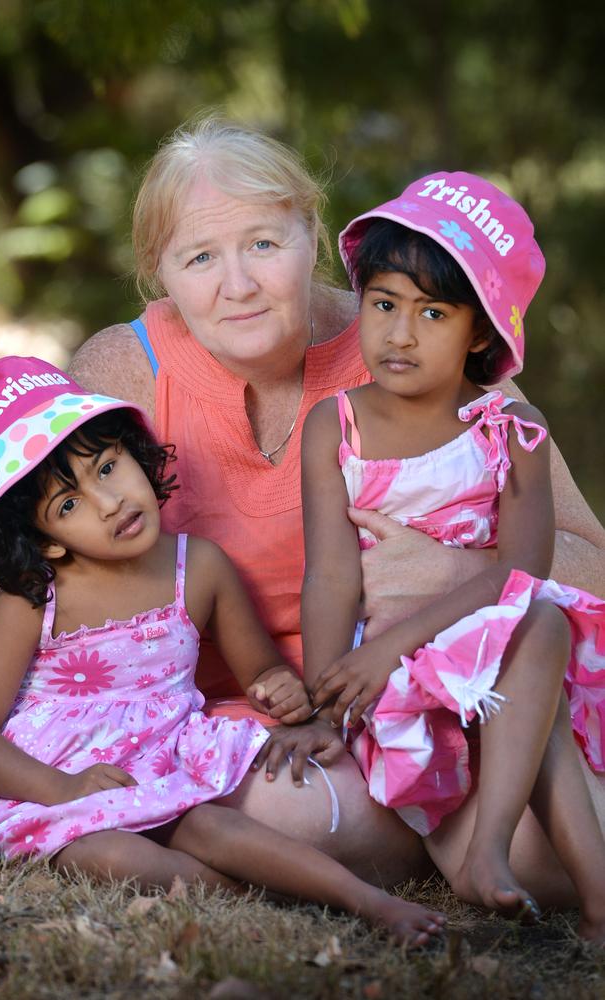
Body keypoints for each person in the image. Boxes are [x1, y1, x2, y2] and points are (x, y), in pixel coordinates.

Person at [0, 117, 604, 896]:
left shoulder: (426, 334)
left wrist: (452, 570)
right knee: (288, 806)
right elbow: (45, 577)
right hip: (222, 735)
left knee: (549, 859)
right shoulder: (123, 370)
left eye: (264, 244)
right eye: (200, 257)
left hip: (438, 688)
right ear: (159, 272)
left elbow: (586, 561)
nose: (238, 285)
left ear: (312, 233)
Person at [0, 356, 445, 945]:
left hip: (165, 761)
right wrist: (62, 789)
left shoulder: (199, 566)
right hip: (63, 781)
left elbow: (258, 667)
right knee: (105, 855)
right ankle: (267, 908)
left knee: (214, 825)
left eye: (108, 466)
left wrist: (282, 688)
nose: (109, 501)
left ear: (135, 451)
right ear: (46, 544)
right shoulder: (33, 600)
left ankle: (367, 902)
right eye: (68, 505)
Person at [302, 171, 605, 940]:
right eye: (384, 305)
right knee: (534, 644)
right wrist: (322, 698)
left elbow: (521, 571)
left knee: (539, 624)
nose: (399, 334)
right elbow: (333, 575)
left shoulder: (514, 426)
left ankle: (501, 855)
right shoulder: (334, 426)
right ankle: (542, 875)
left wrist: (395, 642)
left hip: (504, 648)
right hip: (402, 678)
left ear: (478, 332)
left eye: (432, 312)